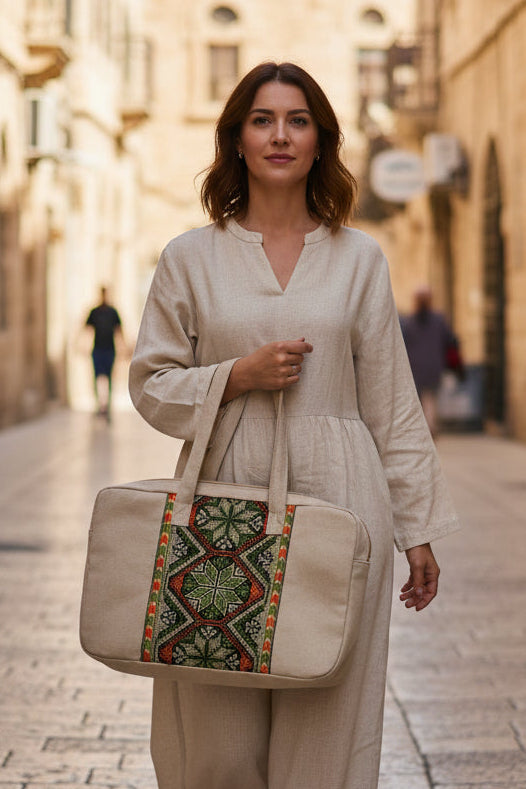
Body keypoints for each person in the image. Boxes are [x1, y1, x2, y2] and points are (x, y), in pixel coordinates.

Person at [129, 62, 459, 789]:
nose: (281, 134)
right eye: (263, 118)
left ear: (320, 141)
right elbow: (149, 382)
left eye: (298, 120)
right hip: (221, 497)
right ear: (237, 139)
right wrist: (234, 377)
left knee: (328, 720)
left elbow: (392, 402)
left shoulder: (359, 259)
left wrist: (418, 527)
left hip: (344, 501)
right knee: (213, 719)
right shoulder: (190, 257)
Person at [400, 286, 459, 438]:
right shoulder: (438, 320)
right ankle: (430, 424)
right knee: (431, 398)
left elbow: (402, 345)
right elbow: (450, 340)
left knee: (420, 399)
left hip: (416, 368)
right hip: (434, 366)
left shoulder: (409, 322)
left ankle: (426, 426)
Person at [86, 286, 122, 419]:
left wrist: (123, 347)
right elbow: (87, 328)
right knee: (97, 378)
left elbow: (119, 330)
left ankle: (108, 406)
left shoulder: (113, 312)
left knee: (109, 378)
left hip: (109, 350)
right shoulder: (95, 312)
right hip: (98, 349)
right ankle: (98, 404)